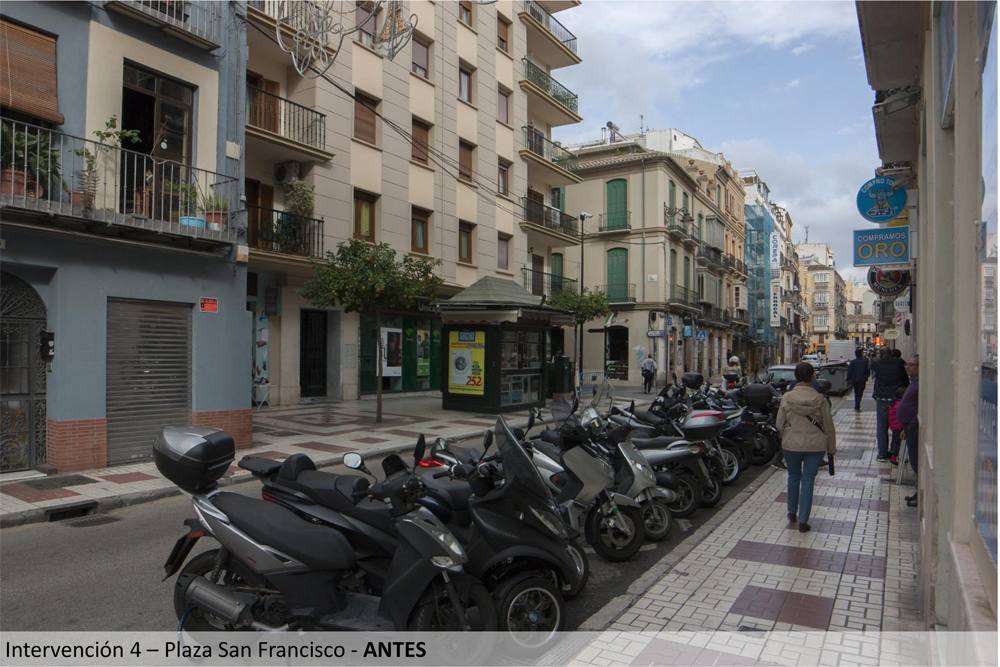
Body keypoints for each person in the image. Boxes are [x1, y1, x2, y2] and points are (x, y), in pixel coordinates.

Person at [776, 362, 837, 532]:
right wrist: (831, 449)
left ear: (796, 377)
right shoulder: (820, 400)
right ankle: (803, 521)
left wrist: (785, 436)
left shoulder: (787, 398)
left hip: (791, 444)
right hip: (815, 445)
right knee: (808, 480)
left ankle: (791, 512)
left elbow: (779, 424)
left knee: (793, 476)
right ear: (812, 377)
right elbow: (829, 426)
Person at [871, 348, 909, 462]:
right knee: (898, 426)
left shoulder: (877, 364)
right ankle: (895, 452)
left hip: (881, 398)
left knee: (881, 427)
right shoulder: (899, 363)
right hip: (896, 399)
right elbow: (905, 380)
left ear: (881, 354)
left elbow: (876, 378)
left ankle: (882, 454)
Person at [896, 356, 919, 506]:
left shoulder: (921, 383)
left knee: (916, 462)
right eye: (907, 364)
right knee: (914, 461)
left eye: (911, 365)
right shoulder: (914, 382)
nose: (907, 367)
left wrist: (911, 424)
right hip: (909, 428)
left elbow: (922, 407)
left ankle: (919, 494)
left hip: (914, 428)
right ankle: (918, 492)